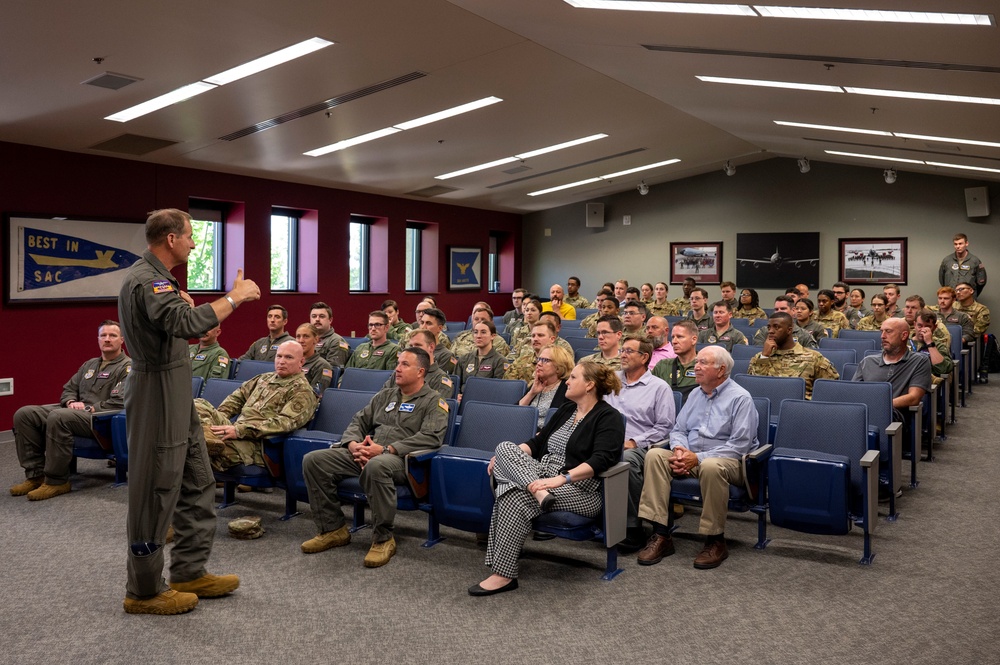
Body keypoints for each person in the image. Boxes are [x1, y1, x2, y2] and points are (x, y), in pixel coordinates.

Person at [118, 207, 260, 615]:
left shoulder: (159, 280)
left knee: (198, 479)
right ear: (171, 239)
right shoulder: (148, 281)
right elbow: (187, 323)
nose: (195, 243)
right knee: (155, 491)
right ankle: (143, 591)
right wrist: (236, 296)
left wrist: (190, 307)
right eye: (191, 236)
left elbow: (184, 323)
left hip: (176, 390)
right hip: (157, 391)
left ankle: (189, 571)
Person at [470, 361, 625, 595]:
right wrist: (506, 457)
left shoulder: (608, 417)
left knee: (514, 497)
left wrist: (561, 480)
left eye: (573, 378)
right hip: (541, 477)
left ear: (590, 385)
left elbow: (601, 461)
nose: (568, 382)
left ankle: (503, 575)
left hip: (580, 489)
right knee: (504, 447)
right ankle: (537, 492)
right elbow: (537, 444)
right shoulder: (565, 409)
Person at [301, 348, 449, 568]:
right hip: (368, 452)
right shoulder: (385, 395)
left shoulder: (434, 401)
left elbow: (430, 437)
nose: (397, 368)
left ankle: (383, 538)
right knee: (314, 460)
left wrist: (386, 450)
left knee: (377, 466)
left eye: (404, 364)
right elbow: (358, 422)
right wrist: (353, 445)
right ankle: (333, 529)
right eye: (398, 363)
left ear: (420, 371)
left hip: (402, 461)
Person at [637, 346, 758, 570]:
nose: (696, 366)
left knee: (711, 466)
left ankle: (715, 540)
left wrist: (698, 458)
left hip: (729, 463)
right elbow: (678, 429)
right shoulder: (695, 394)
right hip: (692, 457)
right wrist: (680, 451)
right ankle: (661, 534)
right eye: (697, 362)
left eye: (703, 363)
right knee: (654, 455)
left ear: (721, 370)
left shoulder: (741, 398)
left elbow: (739, 446)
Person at [11, 320, 131, 501]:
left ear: (122, 339)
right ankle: (36, 475)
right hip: (74, 414)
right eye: (103, 335)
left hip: (101, 420)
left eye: (112, 336)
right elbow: (69, 389)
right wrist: (70, 401)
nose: (107, 339)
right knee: (25, 414)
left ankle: (57, 481)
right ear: (98, 339)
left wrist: (88, 408)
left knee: (59, 416)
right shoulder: (89, 365)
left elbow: (119, 402)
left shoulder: (128, 367)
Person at [194, 340, 317, 472]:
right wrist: (217, 421)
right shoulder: (264, 378)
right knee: (197, 404)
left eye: (289, 357)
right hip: (235, 431)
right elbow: (236, 398)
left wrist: (240, 430)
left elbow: (284, 423)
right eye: (279, 356)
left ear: (301, 362)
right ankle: (208, 438)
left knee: (194, 449)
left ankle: (202, 445)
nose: (281, 361)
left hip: (258, 444)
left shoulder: (302, 391)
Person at [603, 336, 676, 552]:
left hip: (641, 447)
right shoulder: (611, 381)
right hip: (606, 441)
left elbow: (665, 427)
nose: (622, 354)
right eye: (622, 350)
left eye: (629, 351)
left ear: (645, 357)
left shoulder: (659, 388)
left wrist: (635, 442)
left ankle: (632, 527)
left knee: (625, 461)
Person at [747, 312, 838, 398]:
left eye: (776, 327)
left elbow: (831, 389)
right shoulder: (759, 358)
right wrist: (764, 357)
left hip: (800, 409)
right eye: (769, 327)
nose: (770, 331)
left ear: (789, 330)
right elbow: (754, 389)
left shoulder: (814, 358)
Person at [383, 329, 455, 399]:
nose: (413, 349)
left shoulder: (440, 379)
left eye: (418, 345)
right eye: (411, 346)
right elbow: (381, 399)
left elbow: (435, 406)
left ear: (431, 347)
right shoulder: (398, 372)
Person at [518, 344, 573, 428]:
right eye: (539, 359)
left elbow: (564, 422)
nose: (539, 364)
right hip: (522, 429)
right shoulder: (536, 384)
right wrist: (532, 393)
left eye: (545, 360)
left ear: (558, 367)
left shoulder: (567, 388)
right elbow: (516, 413)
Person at [652, 320, 699, 402]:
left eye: (680, 337)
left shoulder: (705, 366)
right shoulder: (663, 365)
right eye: (673, 337)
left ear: (694, 339)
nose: (674, 341)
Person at [458, 320, 509, 392]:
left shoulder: (500, 361)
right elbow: (456, 384)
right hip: (464, 400)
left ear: (493, 336)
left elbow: (499, 389)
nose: (478, 336)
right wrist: (457, 395)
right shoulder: (464, 359)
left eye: (483, 332)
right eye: (475, 332)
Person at [754, 296, 818, 348]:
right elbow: (757, 354)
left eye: (783, 309)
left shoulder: (804, 335)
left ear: (793, 311)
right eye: (776, 309)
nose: (779, 311)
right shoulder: (764, 332)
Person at [295, 323, 335, 397]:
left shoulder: (322, 366)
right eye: (298, 336)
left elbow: (315, 395)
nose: (301, 340)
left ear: (316, 339)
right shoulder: (291, 362)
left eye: (306, 336)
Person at [912, 310, 954, 378]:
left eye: (927, 327)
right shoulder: (905, 343)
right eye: (920, 326)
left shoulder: (939, 346)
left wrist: (929, 343)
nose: (923, 330)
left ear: (934, 327)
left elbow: (944, 369)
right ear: (914, 325)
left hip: (928, 382)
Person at [309, 302, 350, 368]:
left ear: (330, 320)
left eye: (322, 316)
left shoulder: (337, 341)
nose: (317, 319)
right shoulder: (307, 339)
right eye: (314, 316)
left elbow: (333, 370)